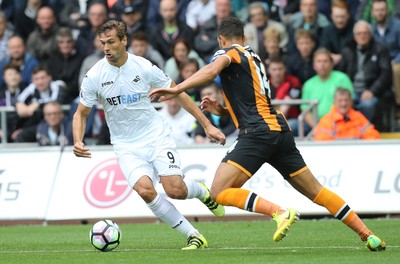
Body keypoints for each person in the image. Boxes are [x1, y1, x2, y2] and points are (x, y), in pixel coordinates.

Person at [149, 16, 386, 251]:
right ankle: (368, 235)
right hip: (278, 131)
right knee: (317, 192)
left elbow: (212, 71)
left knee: (219, 192)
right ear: (244, 37)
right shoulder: (255, 58)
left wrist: (177, 88)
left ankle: (279, 212)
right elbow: (254, 103)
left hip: (257, 134)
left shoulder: (228, 53)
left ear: (222, 40)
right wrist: (220, 111)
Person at [72, 20, 226, 250]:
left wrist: (206, 125)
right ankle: (193, 235)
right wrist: (77, 140)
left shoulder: (144, 67)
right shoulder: (94, 75)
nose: (106, 48)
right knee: (145, 191)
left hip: (155, 136)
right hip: (125, 145)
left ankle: (202, 192)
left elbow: (179, 93)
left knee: (175, 190)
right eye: (102, 43)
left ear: (124, 41)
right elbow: (80, 113)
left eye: (111, 42)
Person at [338, 20, 392, 124]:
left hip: (372, 90)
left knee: (367, 105)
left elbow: (386, 74)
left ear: (370, 34)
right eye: (359, 33)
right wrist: (345, 92)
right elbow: (341, 74)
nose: (362, 36)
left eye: (365, 33)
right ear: (354, 36)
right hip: (350, 91)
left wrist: (372, 91)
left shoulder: (380, 50)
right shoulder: (347, 50)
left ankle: (363, 132)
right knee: (339, 102)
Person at [301, 48, 354, 129]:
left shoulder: (343, 79)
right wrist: (318, 127)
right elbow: (305, 110)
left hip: (338, 121)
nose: (322, 64)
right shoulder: (308, 84)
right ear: (314, 66)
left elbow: (349, 103)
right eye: (319, 61)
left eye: (325, 61)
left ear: (332, 64)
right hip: (315, 124)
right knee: (292, 126)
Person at [14, 66, 64, 142]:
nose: (39, 82)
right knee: (20, 135)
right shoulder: (32, 87)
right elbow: (18, 100)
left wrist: (37, 105)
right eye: (36, 79)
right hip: (41, 124)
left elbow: (56, 101)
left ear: (49, 77)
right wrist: (19, 105)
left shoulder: (58, 85)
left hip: (60, 124)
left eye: (42, 78)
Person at [313, 87, 380, 140]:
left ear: (351, 102)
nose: (343, 103)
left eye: (346, 100)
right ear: (334, 102)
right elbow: (321, 142)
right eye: (340, 100)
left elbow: (373, 136)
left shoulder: (358, 117)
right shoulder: (327, 120)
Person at [370, 0, 400, 106]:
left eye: (382, 10)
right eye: (377, 10)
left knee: (396, 69)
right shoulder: (370, 29)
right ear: (372, 12)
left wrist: (395, 60)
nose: (379, 13)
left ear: (387, 11)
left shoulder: (397, 26)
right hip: (379, 63)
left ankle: (398, 104)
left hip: (394, 61)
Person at [267, 56, 303, 136]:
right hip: (268, 120)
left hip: (291, 119)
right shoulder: (264, 84)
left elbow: (287, 104)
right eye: (274, 69)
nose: (277, 72)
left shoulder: (293, 81)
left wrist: (275, 104)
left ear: (285, 69)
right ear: (269, 70)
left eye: (280, 69)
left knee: (289, 126)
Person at [48, 27, 84, 105]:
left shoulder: (80, 59)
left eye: (68, 42)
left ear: (73, 43)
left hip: (74, 96)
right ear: (58, 44)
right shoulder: (53, 58)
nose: (65, 45)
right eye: (61, 42)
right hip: (54, 93)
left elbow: (78, 82)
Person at [319, 0, 355, 66]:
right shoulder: (327, 30)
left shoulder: (355, 29)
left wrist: (342, 57)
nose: (339, 20)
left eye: (342, 17)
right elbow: (323, 48)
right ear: (332, 16)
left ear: (348, 15)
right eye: (337, 17)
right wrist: (330, 56)